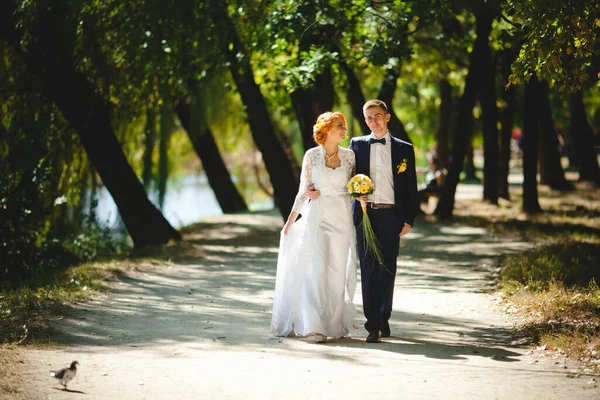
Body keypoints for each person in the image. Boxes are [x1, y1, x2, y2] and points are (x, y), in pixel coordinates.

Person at [271, 111, 357, 344]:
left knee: (337, 270)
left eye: (344, 126)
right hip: (317, 216)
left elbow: (353, 191)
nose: (344, 130)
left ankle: (334, 324)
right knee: (317, 269)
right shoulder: (311, 156)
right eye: (340, 125)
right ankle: (315, 326)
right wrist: (290, 221)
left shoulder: (350, 157)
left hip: (341, 217)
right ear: (327, 128)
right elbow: (303, 190)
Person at [349, 99, 418, 343]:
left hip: (391, 215)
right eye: (368, 118)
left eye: (377, 116)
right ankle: (372, 325)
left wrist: (408, 218)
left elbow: (411, 186)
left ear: (387, 117)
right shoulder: (356, 145)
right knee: (368, 269)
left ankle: (384, 315)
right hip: (365, 216)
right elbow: (345, 178)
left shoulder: (404, 148)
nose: (373, 121)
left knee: (387, 269)